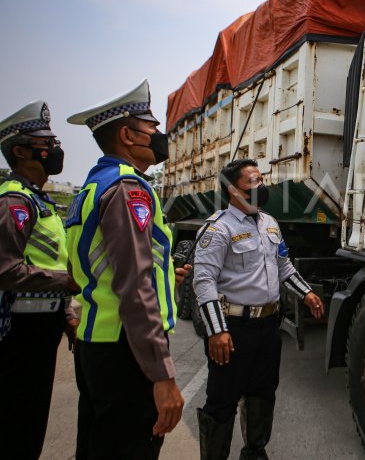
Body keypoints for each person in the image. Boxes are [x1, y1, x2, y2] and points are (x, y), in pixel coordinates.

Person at [65, 79, 187, 459]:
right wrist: (161, 374)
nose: (159, 135)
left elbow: (91, 267)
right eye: (151, 127)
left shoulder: (92, 186)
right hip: (125, 351)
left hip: (98, 344)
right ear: (127, 134)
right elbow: (135, 287)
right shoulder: (127, 189)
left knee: (100, 445)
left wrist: (167, 275)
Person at [192, 158, 324, 460]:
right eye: (251, 182)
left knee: (262, 394)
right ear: (232, 191)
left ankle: (254, 453)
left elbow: (283, 267)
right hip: (232, 330)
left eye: (261, 180)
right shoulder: (218, 229)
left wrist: (306, 294)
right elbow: (204, 282)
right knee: (222, 402)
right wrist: (216, 331)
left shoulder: (269, 222)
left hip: (267, 328)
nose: (260, 187)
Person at [0, 101, 80, 460]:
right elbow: (5, 270)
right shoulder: (14, 202)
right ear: (20, 150)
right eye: (45, 142)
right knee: (16, 427)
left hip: (39, 325)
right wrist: (66, 282)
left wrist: (64, 315)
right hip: (17, 331)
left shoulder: (38, 201)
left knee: (30, 424)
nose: (55, 150)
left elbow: (40, 260)